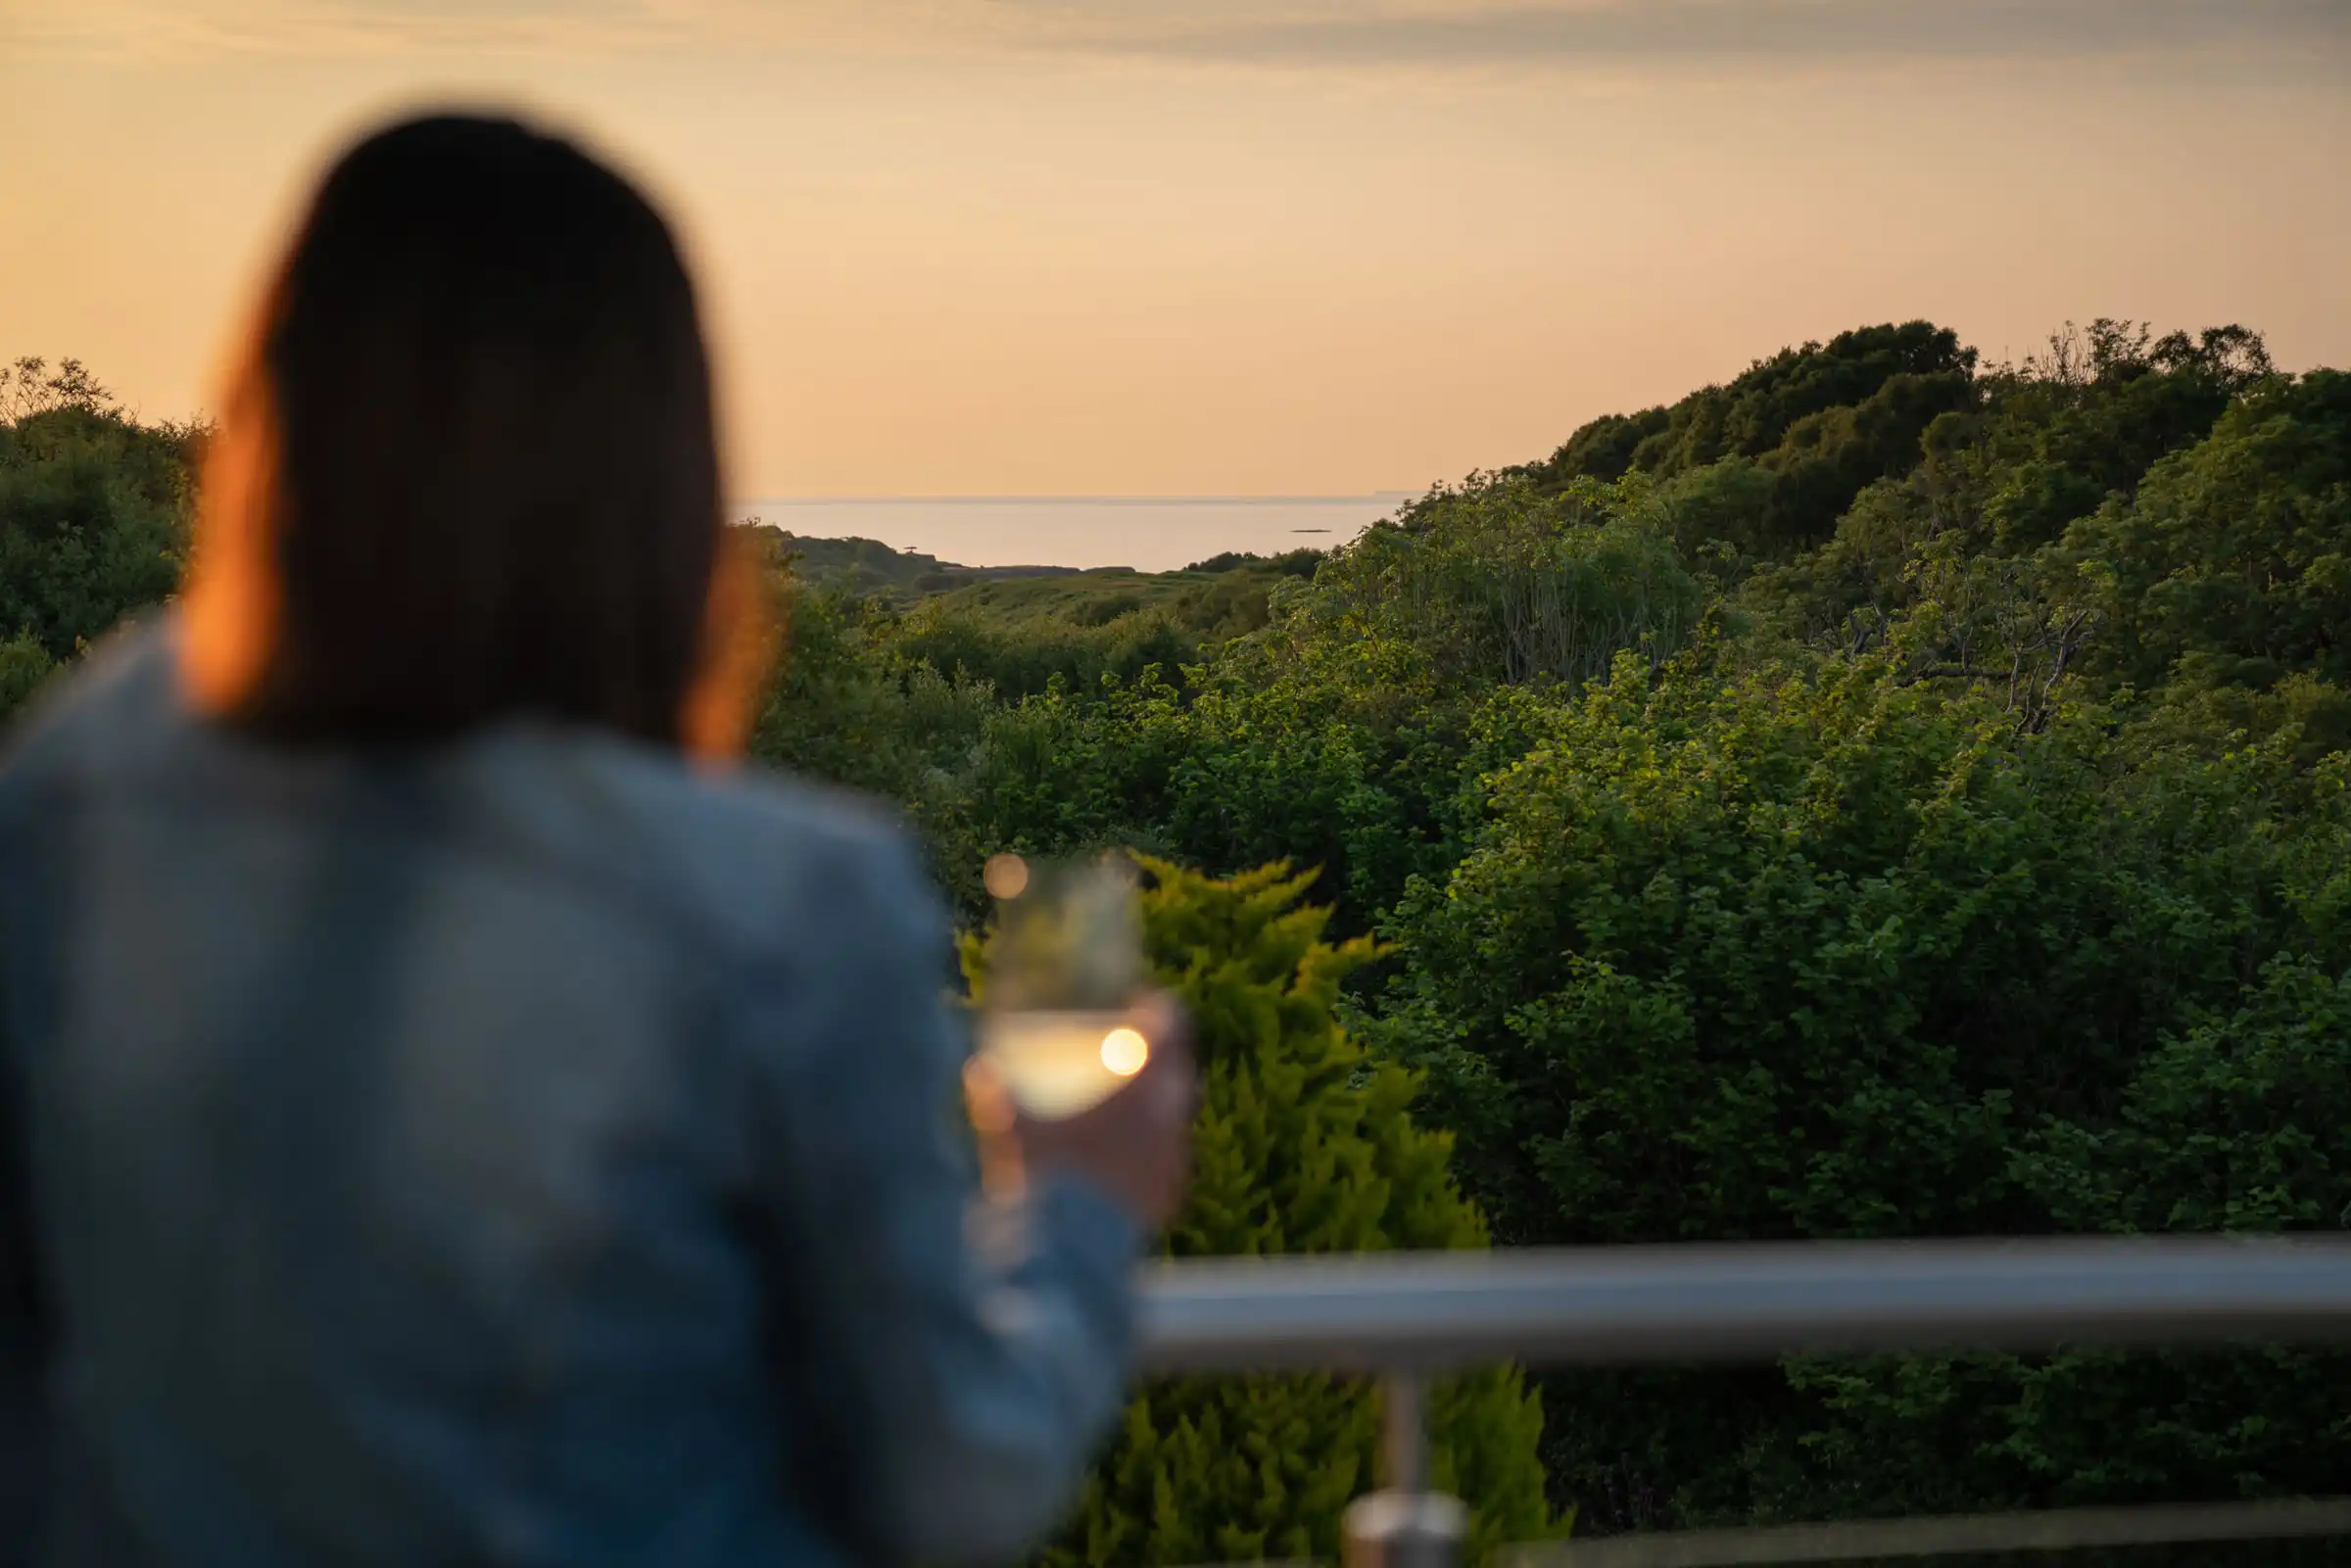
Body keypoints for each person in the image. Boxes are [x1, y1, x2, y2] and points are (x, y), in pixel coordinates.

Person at [0, 113, 1194, 1568]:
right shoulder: (782, 907)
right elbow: (955, 1481)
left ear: (275, 424)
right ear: (663, 468)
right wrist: (1079, 1199)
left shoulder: (81, 791)